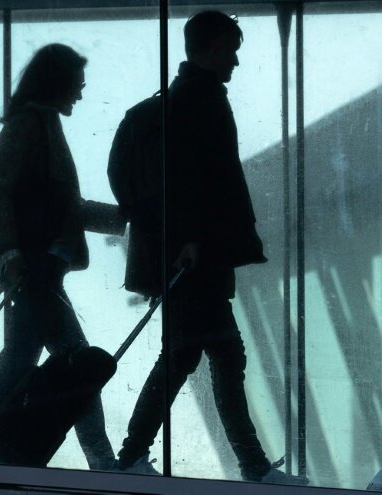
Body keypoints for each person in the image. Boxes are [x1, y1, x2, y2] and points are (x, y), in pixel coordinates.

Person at [113, 12, 308, 485]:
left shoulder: (177, 103)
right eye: (228, 49)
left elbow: (159, 182)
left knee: (192, 356)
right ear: (206, 48)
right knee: (214, 354)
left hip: (188, 255)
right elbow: (196, 181)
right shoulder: (197, 101)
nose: (236, 60)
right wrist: (191, 240)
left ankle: (136, 459)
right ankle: (250, 469)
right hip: (195, 257)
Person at [0, 43, 115, 471]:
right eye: (78, 85)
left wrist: (125, 220)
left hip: (32, 267)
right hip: (33, 268)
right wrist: (8, 253)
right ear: (58, 81)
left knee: (18, 368)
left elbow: (60, 205)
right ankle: (103, 461)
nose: (81, 95)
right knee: (77, 367)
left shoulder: (39, 123)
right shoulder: (32, 124)